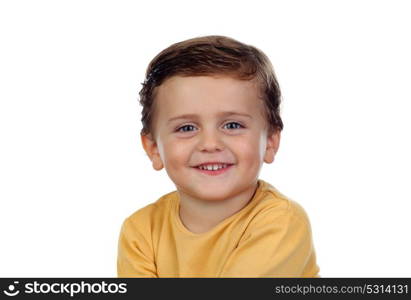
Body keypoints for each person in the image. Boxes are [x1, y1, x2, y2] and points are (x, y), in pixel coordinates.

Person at [117, 35, 320, 277]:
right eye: (187, 128)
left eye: (232, 125)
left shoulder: (282, 222)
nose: (210, 144)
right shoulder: (141, 231)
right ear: (153, 149)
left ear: (270, 142)